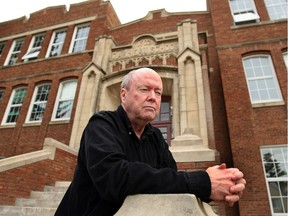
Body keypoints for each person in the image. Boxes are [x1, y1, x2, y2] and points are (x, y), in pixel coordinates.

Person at [55, 67, 246, 216]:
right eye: (144, 89)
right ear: (123, 94)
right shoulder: (102, 124)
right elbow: (115, 179)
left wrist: (220, 185)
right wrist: (203, 181)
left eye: (158, 92)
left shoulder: (155, 137)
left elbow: (169, 182)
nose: (153, 98)